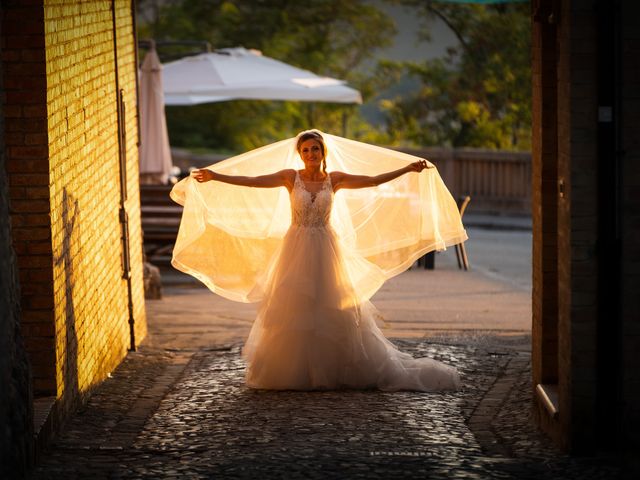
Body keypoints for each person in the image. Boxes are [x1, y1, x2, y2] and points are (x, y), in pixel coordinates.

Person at [173, 130, 466, 391]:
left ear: (323, 152)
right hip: (296, 246)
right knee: (294, 307)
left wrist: (406, 169)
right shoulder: (291, 177)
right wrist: (216, 176)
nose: (311, 154)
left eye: (315, 149)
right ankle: (295, 371)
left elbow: (374, 180)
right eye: (305, 150)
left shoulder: (333, 180)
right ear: (300, 154)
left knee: (332, 306)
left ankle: (338, 367)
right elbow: (251, 182)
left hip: (327, 247)